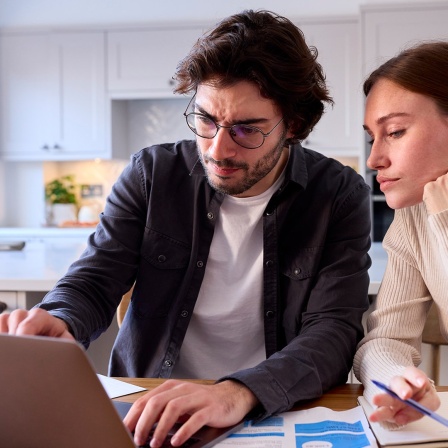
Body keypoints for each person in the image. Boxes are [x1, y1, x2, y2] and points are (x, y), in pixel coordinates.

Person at [0, 10, 371, 447]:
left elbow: (334, 330)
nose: (217, 148)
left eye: (246, 130)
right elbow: (96, 280)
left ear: (291, 126)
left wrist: (238, 392)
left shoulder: (339, 193)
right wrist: (59, 319)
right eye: (206, 119)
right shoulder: (151, 173)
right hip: (147, 403)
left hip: (268, 407)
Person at [354, 41, 448, 429]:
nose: (375, 158)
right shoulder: (413, 216)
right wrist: (396, 380)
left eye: (394, 131)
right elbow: (385, 339)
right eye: (372, 136)